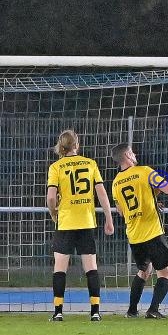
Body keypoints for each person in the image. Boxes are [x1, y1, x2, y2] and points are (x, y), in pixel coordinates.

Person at [46, 129, 114, 322]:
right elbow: (102, 194)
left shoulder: (56, 167)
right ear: (77, 145)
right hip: (86, 221)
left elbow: (51, 197)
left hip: (66, 222)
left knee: (60, 268)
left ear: (61, 146)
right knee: (91, 268)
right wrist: (109, 218)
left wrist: (53, 212)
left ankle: (58, 312)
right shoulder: (91, 164)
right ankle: (95, 312)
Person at [111, 143, 168, 319]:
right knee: (164, 272)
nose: (135, 154)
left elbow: (121, 210)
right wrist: (155, 191)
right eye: (132, 152)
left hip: (134, 235)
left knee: (144, 271)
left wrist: (150, 199)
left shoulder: (116, 182)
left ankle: (132, 311)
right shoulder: (144, 171)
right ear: (126, 155)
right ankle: (153, 309)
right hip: (152, 232)